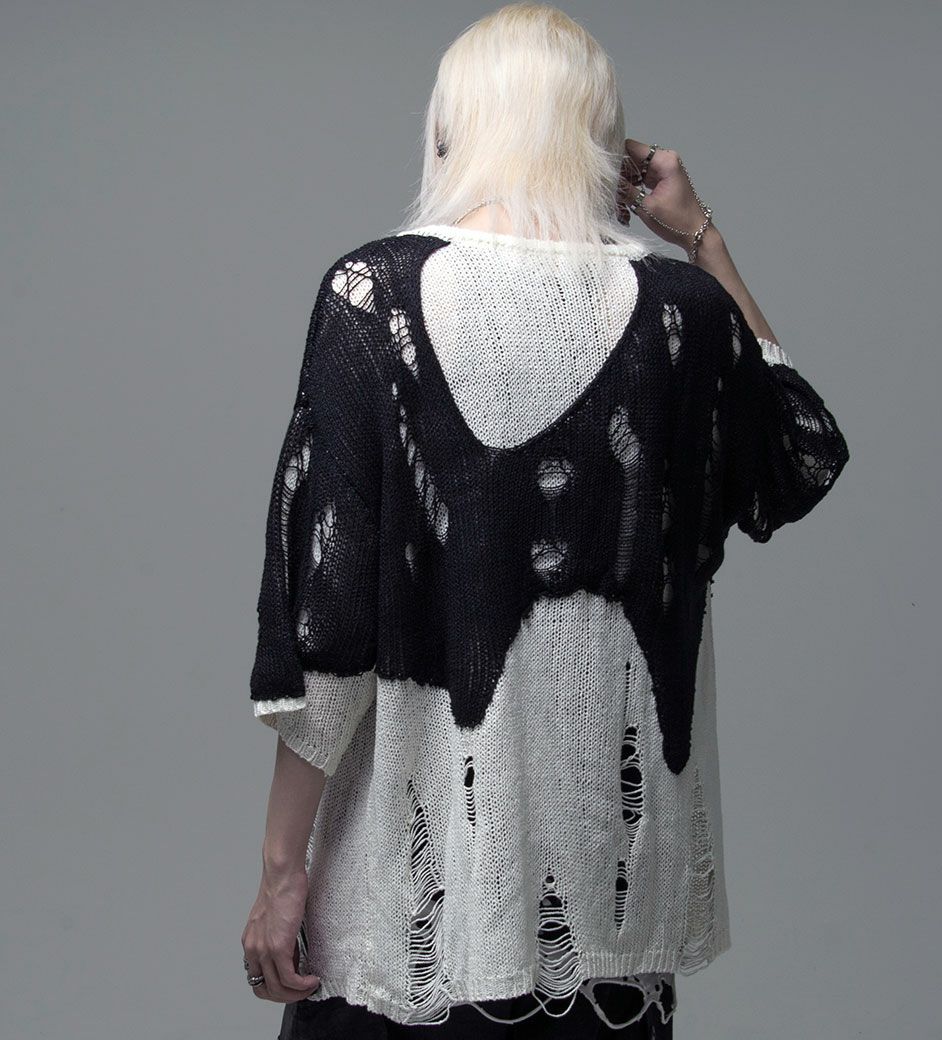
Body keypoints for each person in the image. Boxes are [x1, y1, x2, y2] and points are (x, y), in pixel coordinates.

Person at [240, 4, 850, 1037]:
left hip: (413, 899)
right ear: (602, 144)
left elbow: (328, 634)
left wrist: (279, 871)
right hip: (610, 905)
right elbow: (797, 453)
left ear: (449, 129)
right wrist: (701, 237)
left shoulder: (371, 295)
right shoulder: (683, 313)